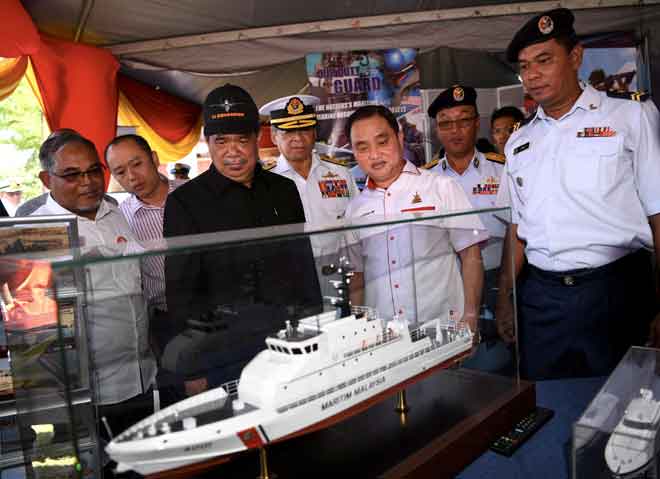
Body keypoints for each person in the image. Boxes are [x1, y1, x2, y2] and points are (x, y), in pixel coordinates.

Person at [495, 8, 660, 380]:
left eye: (543, 60)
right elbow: (517, 228)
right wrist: (505, 297)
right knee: (541, 406)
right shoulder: (520, 141)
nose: (532, 75)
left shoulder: (630, 116)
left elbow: (658, 212)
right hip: (541, 299)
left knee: (624, 412)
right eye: (524, 66)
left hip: (615, 294)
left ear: (575, 57)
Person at [163, 84, 322, 394]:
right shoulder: (186, 202)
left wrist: (314, 330)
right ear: (208, 143)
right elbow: (181, 290)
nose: (232, 151)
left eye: (241, 140)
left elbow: (302, 266)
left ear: (256, 139)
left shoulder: (283, 190)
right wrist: (192, 366)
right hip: (222, 352)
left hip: (285, 342)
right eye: (221, 141)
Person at [30, 131, 156, 446]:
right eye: (72, 175)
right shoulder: (35, 232)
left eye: (93, 170)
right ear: (47, 180)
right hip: (90, 393)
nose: (87, 182)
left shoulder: (115, 212)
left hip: (144, 377)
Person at [344, 105, 487, 337]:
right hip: (383, 336)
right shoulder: (354, 209)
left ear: (399, 137)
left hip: (441, 328)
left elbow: (471, 255)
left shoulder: (440, 188)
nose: (374, 154)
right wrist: (359, 324)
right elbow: (357, 277)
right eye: (363, 147)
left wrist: (470, 316)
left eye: (382, 142)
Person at [259, 95, 359, 291]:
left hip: (338, 279)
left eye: (304, 129)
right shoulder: (263, 183)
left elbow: (354, 230)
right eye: (287, 131)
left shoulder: (341, 174)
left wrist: (358, 276)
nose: (297, 138)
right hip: (286, 283)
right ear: (273, 136)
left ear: (314, 132)